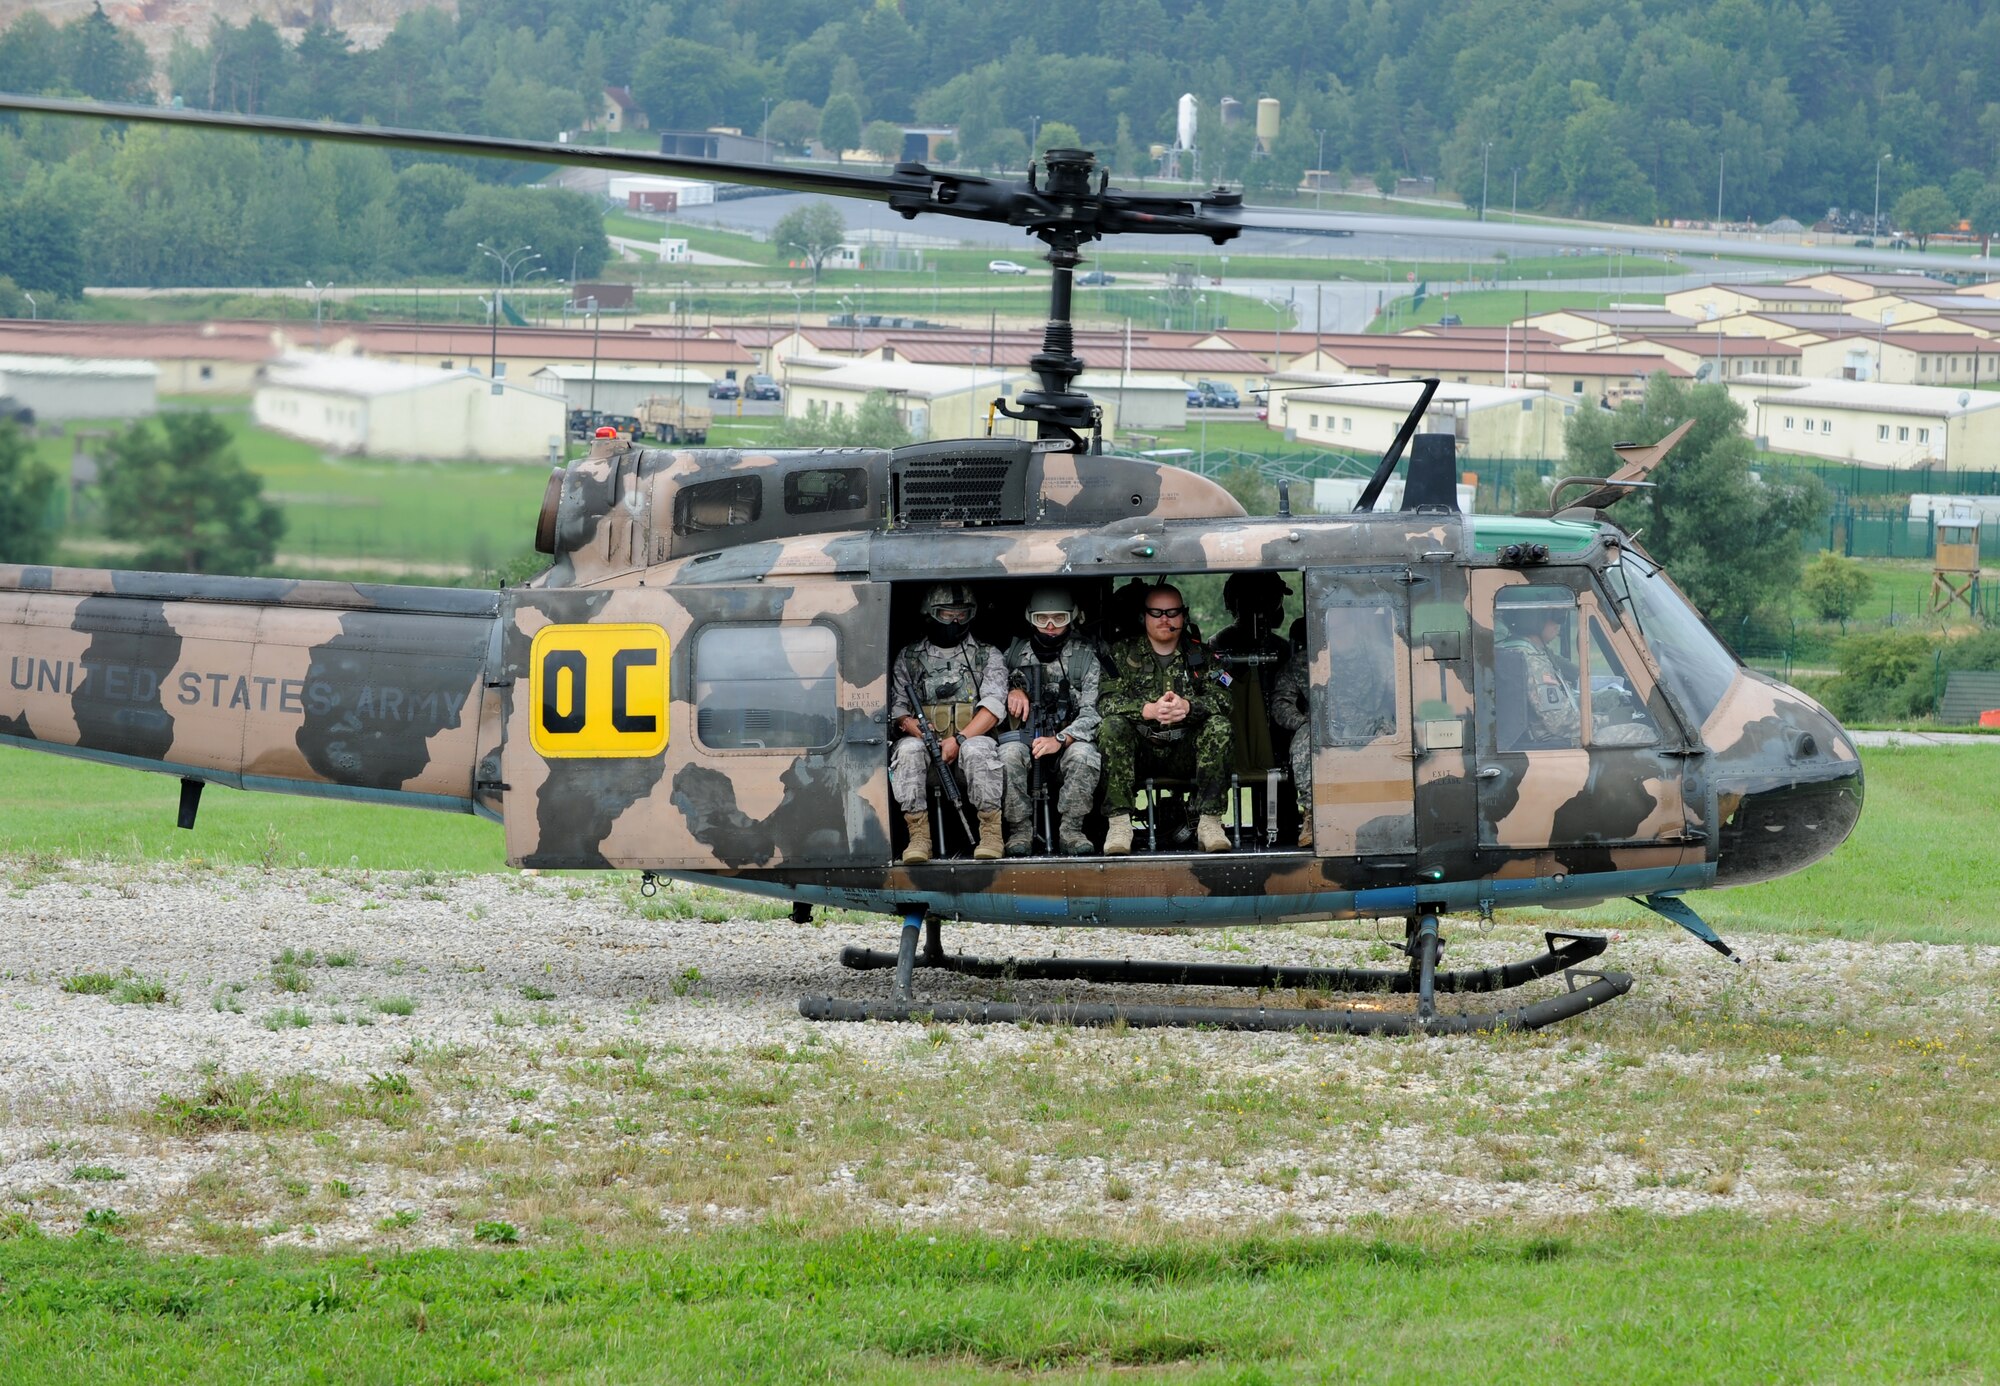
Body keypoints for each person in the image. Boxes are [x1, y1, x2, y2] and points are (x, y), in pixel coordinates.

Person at [1098, 582, 1234, 854]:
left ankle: (1209, 823)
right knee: (1111, 727)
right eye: (1156, 613)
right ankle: (1119, 826)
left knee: (1220, 726)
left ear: (1183, 616)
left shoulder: (1204, 656)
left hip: (1185, 750)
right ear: (1143, 616)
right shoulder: (1122, 653)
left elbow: (1226, 697)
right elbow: (1106, 701)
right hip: (1140, 750)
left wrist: (1188, 706)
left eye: (1172, 613)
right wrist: (1146, 710)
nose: (1164, 619)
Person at [889, 583, 1007, 863]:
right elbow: (897, 710)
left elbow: (992, 708)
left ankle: (991, 834)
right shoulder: (909, 658)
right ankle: (918, 837)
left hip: (969, 756)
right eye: (947, 614)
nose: (955, 621)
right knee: (906, 751)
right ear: (930, 614)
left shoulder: (987, 655)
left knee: (978, 749)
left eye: (962, 614)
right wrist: (914, 728)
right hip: (928, 755)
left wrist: (960, 740)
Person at [1270, 606, 1396, 849]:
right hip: (1323, 727)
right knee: (1305, 738)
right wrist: (1303, 722)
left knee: (1390, 735)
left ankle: (1386, 811)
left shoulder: (1379, 656)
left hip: (1369, 724)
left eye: (1344, 625)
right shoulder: (1304, 661)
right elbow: (1280, 701)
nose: (1339, 632)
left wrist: (1388, 724)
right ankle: (1311, 815)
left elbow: (1401, 697)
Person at [997, 586, 1104, 856]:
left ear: (1073, 617)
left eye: (1059, 619)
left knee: (1083, 755)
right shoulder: (1012, 655)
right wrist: (1012, 689)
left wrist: (1061, 739)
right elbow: (987, 692)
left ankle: (1071, 831)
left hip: (1066, 742)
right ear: (1029, 618)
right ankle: (1019, 831)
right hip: (1024, 741)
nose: (1050, 627)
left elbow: (1093, 711)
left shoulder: (1085, 657)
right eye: (1041, 619)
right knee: (1008, 754)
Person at [1496, 598, 1580, 748]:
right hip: (1550, 742)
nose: (1559, 624)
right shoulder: (1532, 659)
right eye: (1555, 616)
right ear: (1535, 621)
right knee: (1635, 733)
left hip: (1542, 738)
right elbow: (1561, 723)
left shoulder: (1512, 648)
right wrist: (1606, 720)